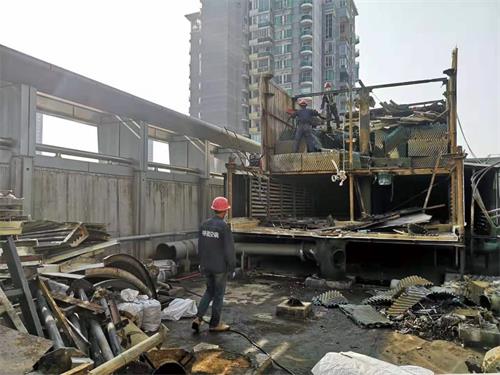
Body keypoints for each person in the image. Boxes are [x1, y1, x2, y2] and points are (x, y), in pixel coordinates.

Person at [192, 196, 235, 333]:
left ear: (214, 209)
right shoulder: (224, 227)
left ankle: (198, 318)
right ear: (225, 211)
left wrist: (201, 263)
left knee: (209, 291)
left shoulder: (204, 224)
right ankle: (214, 324)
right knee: (218, 295)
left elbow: (200, 246)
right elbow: (229, 250)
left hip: (206, 266)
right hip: (219, 268)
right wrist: (232, 267)